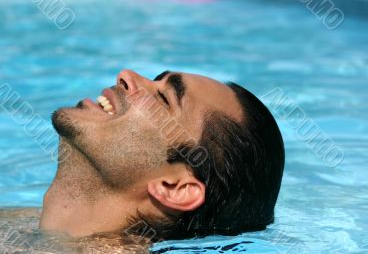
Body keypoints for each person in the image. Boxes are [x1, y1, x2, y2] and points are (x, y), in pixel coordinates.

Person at [40, 69, 285, 241]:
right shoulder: (18, 230)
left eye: (164, 99)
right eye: (157, 81)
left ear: (175, 188)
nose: (126, 75)